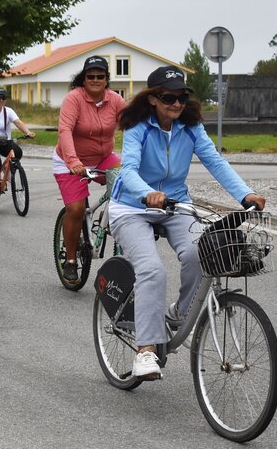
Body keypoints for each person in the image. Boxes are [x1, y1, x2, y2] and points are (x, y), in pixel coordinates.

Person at [109, 67, 266, 381]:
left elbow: (214, 161)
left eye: (182, 97)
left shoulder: (190, 126)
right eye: (169, 97)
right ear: (152, 99)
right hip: (132, 206)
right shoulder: (138, 127)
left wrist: (245, 193)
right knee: (152, 270)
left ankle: (179, 313)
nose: (177, 103)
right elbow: (128, 170)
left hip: (176, 204)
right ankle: (146, 351)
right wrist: (147, 193)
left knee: (201, 254)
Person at [54, 56, 126, 281]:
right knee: (75, 209)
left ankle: (117, 227)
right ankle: (71, 259)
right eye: (90, 76)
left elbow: (133, 127)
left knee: (129, 188)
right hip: (70, 160)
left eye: (100, 76)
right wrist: (74, 162)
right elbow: (65, 131)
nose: (95, 80)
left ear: (107, 79)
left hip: (103, 158)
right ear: (83, 79)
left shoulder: (115, 100)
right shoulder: (73, 99)